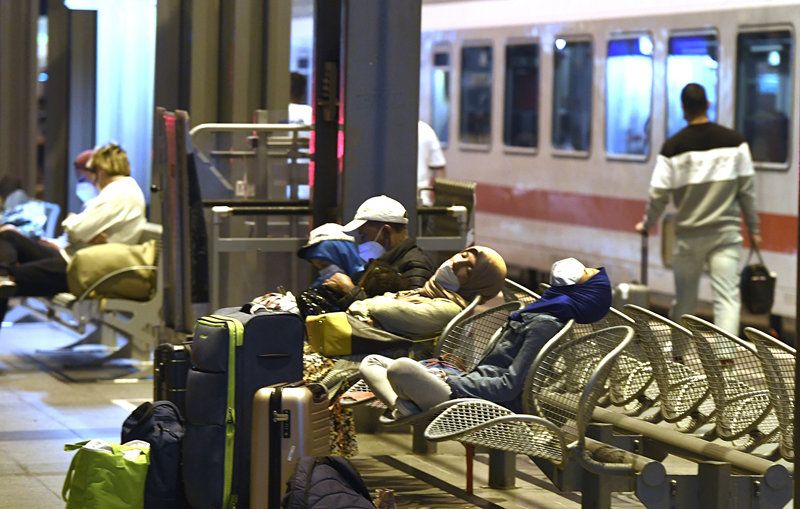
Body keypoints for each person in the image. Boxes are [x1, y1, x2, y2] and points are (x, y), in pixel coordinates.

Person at [359, 257, 611, 417]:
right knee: (372, 362)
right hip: (468, 387)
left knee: (402, 368)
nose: (583, 266)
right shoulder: (537, 314)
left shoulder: (544, 325)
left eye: (587, 271)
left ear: (583, 292)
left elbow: (509, 386)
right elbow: (488, 373)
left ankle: (408, 405)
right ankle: (403, 406)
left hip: (481, 403)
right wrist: (453, 377)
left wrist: (452, 381)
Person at [635, 83, 761, 336]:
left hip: (689, 237)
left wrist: (647, 224)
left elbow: (658, 194)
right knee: (727, 298)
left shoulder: (672, 148)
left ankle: (679, 353)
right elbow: (747, 191)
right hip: (725, 234)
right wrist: (754, 229)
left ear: (683, 109)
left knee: (685, 300)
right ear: (708, 105)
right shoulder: (736, 143)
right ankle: (726, 354)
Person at [0, 143, 146, 323]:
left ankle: (5, 275)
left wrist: (72, 220)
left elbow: (76, 230)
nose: (91, 181)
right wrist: (84, 233)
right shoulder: (119, 191)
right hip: (74, 257)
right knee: (8, 236)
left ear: (100, 171)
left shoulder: (119, 193)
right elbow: (81, 233)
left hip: (82, 268)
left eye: (90, 174)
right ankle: (3, 274)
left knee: (9, 281)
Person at [348, 246, 506, 339]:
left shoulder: (451, 310)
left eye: (468, 269)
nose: (457, 262)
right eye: (463, 255)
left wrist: (364, 307)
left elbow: (381, 308)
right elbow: (381, 301)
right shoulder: (426, 292)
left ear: (477, 285)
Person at [324, 195, 435, 309]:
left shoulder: (415, 266)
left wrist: (350, 290)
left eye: (364, 236)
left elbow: (408, 313)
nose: (360, 242)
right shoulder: (382, 262)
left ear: (386, 232)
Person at [297, 223, 365, 288]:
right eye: (319, 268)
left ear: (345, 257)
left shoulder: (368, 283)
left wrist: (350, 290)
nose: (324, 272)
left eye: (324, 265)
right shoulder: (320, 287)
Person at [417, 120, 446, 206]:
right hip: (422, 198)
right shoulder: (426, 130)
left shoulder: (389, 128)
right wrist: (439, 200)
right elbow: (439, 167)